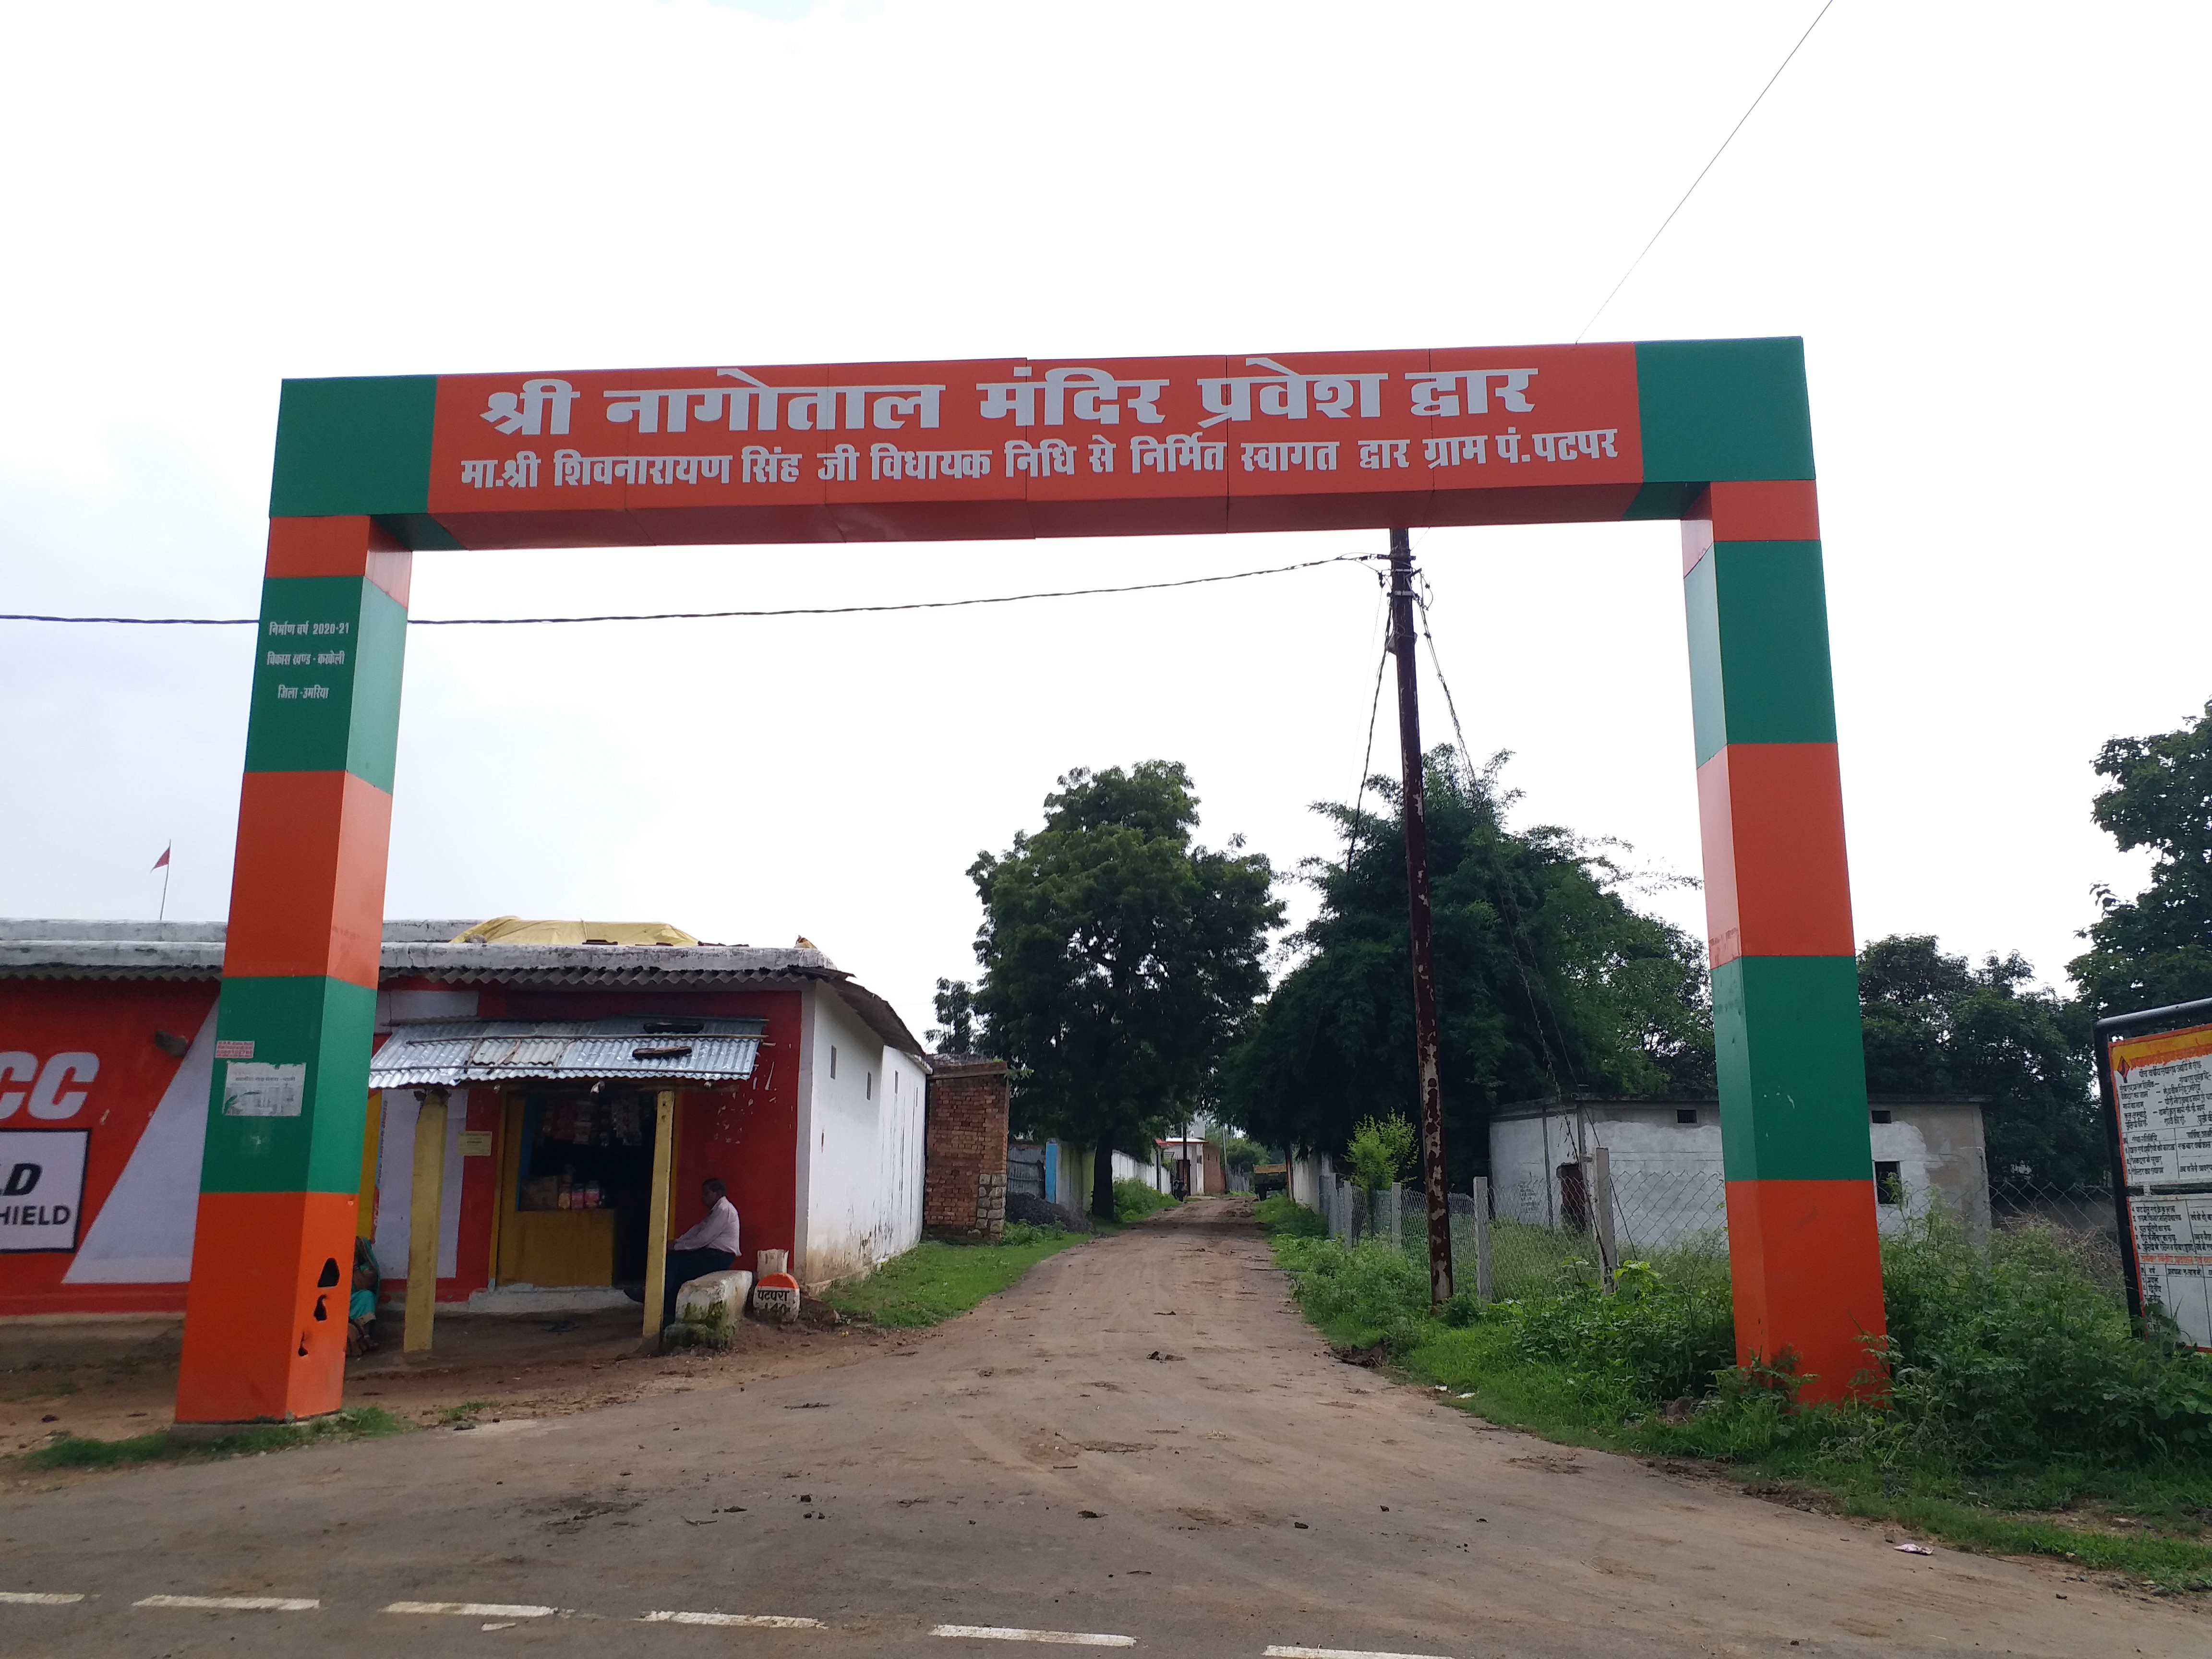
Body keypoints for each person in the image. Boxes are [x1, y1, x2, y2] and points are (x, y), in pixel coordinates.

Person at [663, 1177, 741, 1327]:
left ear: (718, 1194)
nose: (702, 1197)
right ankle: (665, 1304)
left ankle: (666, 1308)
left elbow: (703, 1239)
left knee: (676, 1265)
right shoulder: (717, 1211)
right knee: (675, 1262)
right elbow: (698, 1230)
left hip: (718, 1258)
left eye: (706, 1193)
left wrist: (677, 1247)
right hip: (711, 1255)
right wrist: (678, 1242)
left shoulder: (724, 1210)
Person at [346, 1235, 381, 1357]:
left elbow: (362, 1286)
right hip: (337, 1304)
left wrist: (354, 1266)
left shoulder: (368, 1269)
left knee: (366, 1296)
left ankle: (365, 1337)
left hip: (355, 1303)